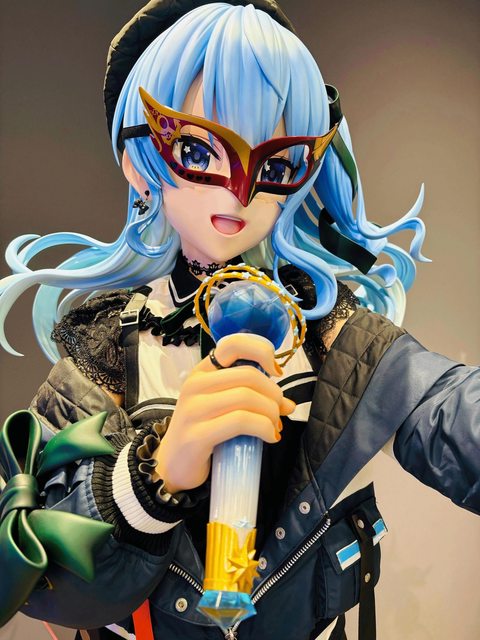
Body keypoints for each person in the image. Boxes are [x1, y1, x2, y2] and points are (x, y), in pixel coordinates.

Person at [0, 2, 478, 640]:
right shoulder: (109, 341)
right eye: (199, 149)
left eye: (275, 164)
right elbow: (35, 562)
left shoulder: (327, 329)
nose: (240, 188)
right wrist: (156, 474)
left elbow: (446, 411)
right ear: (139, 163)